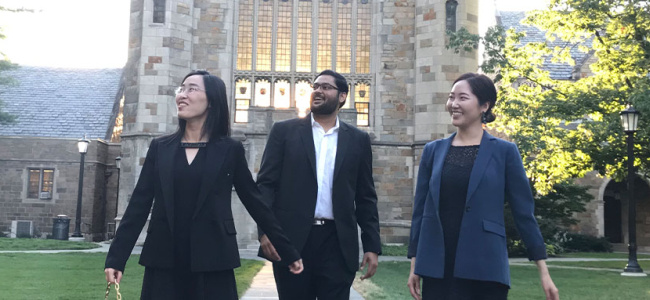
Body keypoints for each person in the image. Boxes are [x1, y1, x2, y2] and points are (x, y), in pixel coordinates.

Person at [104, 70, 303, 300]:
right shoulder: (161, 148)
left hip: (213, 259)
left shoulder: (230, 150)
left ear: (212, 100)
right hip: (164, 259)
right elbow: (139, 204)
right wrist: (116, 258)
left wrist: (286, 249)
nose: (182, 95)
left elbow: (255, 202)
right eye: (181, 89)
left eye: (192, 89)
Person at [407, 73, 559, 300]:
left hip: (485, 267)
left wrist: (544, 271)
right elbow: (420, 211)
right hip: (438, 269)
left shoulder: (505, 152)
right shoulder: (433, 151)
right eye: (451, 97)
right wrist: (414, 265)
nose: (454, 104)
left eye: (462, 98)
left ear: (484, 106)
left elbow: (523, 214)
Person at [256, 69, 381, 299]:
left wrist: (372, 245)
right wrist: (264, 232)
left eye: (325, 87)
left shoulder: (358, 140)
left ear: (342, 96)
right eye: (315, 86)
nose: (317, 91)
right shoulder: (284, 132)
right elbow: (265, 186)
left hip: (337, 242)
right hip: (292, 241)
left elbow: (365, 196)